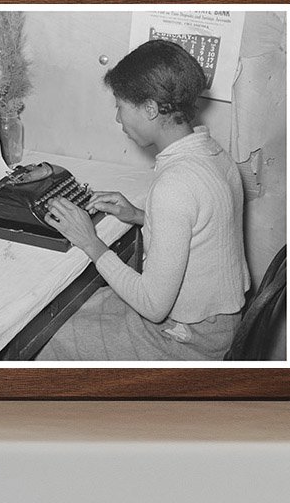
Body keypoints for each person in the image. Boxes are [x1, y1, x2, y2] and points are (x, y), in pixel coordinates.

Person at [37, 39, 250, 361]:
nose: (118, 119)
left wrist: (90, 242)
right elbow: (201, 226)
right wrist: (138, 214)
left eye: (120, 106)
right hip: (217, 320)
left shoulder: (175, 185)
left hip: (188, 340)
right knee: (78, 307)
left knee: (45, 338)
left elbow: (152, 306)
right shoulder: (213, 154)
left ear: (150, 108)